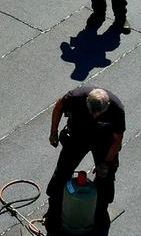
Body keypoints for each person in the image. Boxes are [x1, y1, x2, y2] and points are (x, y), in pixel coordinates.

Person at [46, 86, 125, 227]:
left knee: (106, 175)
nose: (95, 116)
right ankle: (55, 202)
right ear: (87, 101)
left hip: (103, 142)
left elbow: (117, 140)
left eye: (98, 114)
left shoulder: (116, 110)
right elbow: (58, 107)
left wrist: (106, 162)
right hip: (78, 136)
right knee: (63, 169)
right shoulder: (75, 97)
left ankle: (100, 207)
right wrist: (53, 132)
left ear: (107, 106)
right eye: (92, 112)